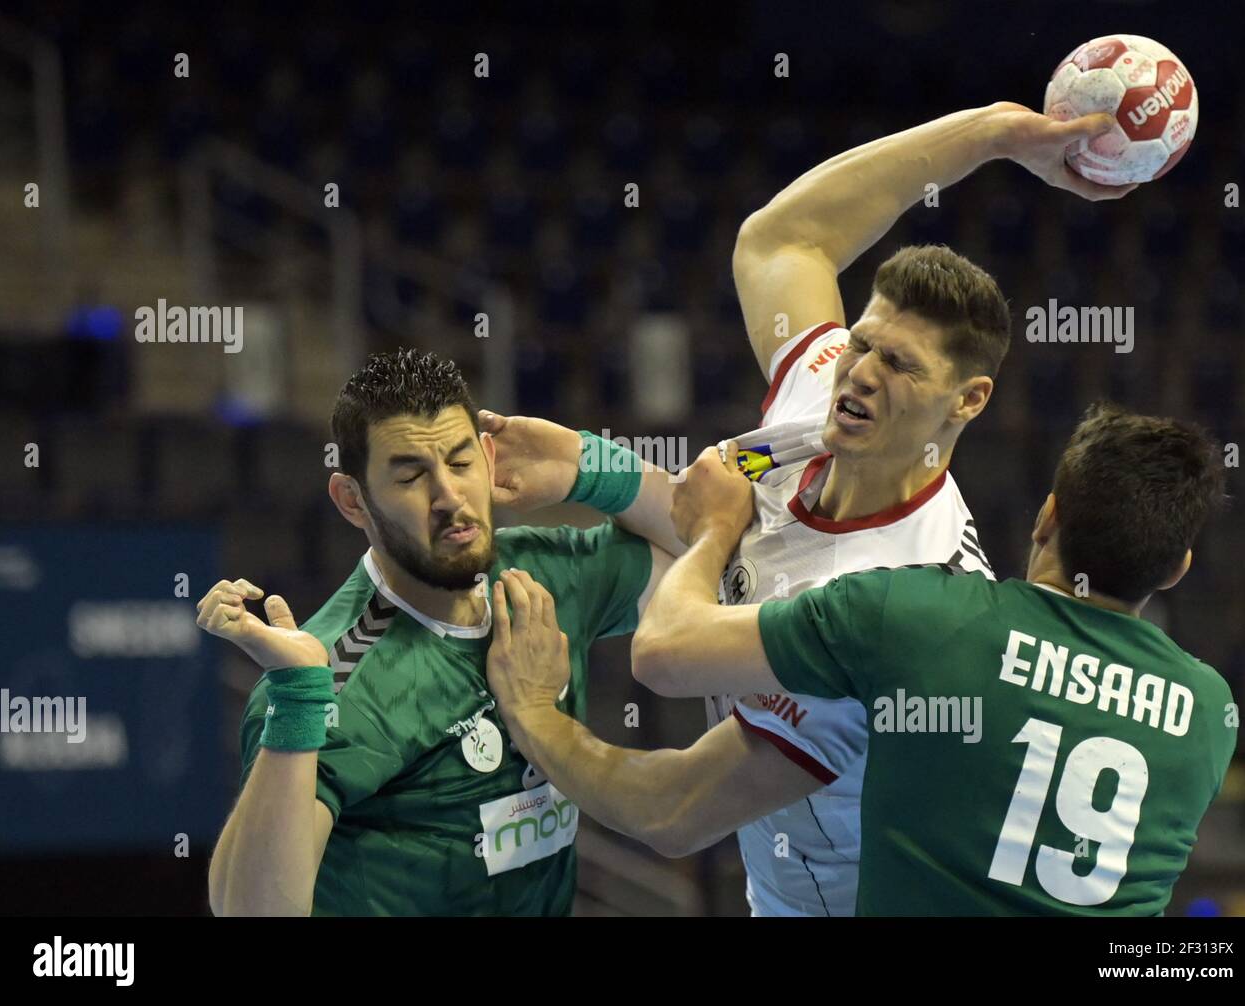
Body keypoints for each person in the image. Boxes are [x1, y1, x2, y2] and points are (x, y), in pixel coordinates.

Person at [482, 102, 1130, 915]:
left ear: (967, 400)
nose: (859, 372)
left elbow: (672, 808)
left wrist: (533, 713)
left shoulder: (897, 607)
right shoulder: (827, 397)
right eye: (862, 341)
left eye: (898, 364)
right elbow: (783, 240)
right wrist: (995, 135)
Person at [487, 403, 1236, 915]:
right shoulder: (1209, 716)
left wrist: (529, 713)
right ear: (1179, 568)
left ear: (1047, 515)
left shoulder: (918, 617)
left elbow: (670, 669)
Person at [200, 350, 673, 916]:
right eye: (411, 475)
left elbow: (719, 558)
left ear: (489, 457)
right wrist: (300, 698)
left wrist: (585, 464)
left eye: (460, 462)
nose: (449, 496)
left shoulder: (541, 575)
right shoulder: (332, 679)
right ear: (353, 501)